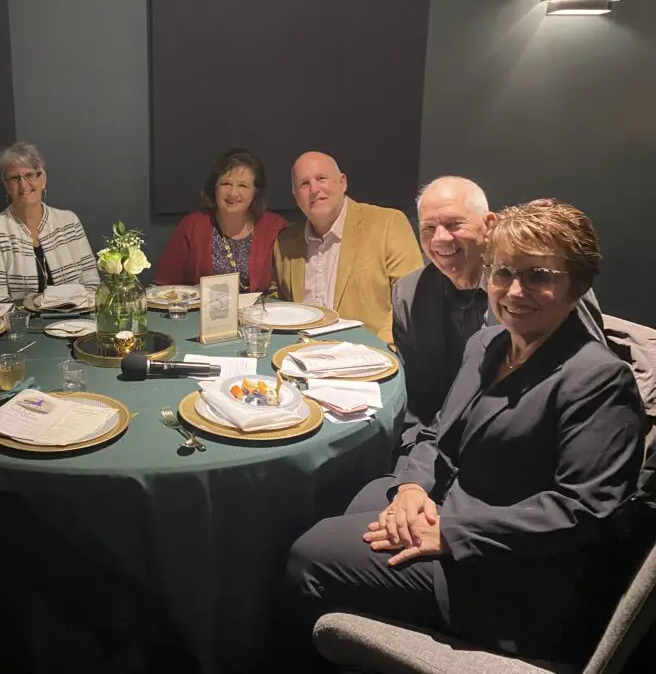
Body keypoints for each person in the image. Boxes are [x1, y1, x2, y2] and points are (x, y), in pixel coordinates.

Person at [287, 199, 644, 664]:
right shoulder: (488, 344)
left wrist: (449, 534)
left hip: (508, 570)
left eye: (538, 276)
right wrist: (412, 488)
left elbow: (583, 512)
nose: (514, 291)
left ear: (577, 284)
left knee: (309, 555)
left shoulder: (598, 379)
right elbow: (439, 432)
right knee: (362, 496)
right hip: (453, 504)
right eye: (502, 273)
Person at [389, 176, 605, 467]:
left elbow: (588, 380)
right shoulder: (408, 294)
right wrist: (415, 471)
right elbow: (418, 404)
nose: (439, 239)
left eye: (454, 224)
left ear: (489, 224)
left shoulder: (545, 292)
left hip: (520, 461)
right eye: (428, 228)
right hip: (434, 453)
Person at [272, 152, 422, 343]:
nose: (314, 189)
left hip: (370, 359)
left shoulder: (387, 224)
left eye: (321, 178)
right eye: (304, 184)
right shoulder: (285, 244)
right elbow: (278, 307)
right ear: (296, 197)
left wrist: (382, 350)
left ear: (342, 183)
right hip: (301, 358)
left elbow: (413, 304)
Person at [0, 142, 100, 303]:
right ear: (6, 186)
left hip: (75, 322)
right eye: (14, 178)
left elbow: (92, 286)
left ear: (43, 180)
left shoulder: (69, 222)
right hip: (20, 326)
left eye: (30, 175)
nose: (23, 184)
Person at [154, 148, 288, 292]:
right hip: (199, 313)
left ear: (255, 192)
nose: (232, 193)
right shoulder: (191, 226)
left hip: (256, 313)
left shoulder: (274, 227)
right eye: (226, 184)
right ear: (214, 188)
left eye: (242, 185)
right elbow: (164, 286)